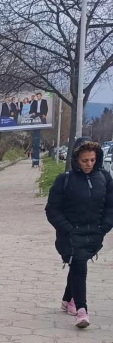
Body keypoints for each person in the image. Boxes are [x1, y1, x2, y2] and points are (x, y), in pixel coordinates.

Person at [45, 137, 113, 328]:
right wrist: (67, 228)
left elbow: (110, 206)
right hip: (71, 233)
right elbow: (52, 209)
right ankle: (82, 311)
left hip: (94, 233)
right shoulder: (64, 180)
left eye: (92, 160)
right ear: (76, 159)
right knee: (79, 264)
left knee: (77, 264)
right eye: (85, 160)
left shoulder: (105, 179)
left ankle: (68, 299)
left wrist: (104, 227)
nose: (89, 164)